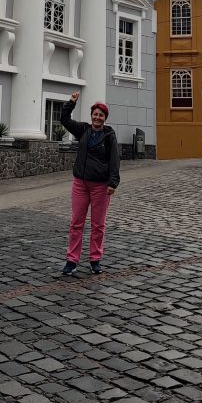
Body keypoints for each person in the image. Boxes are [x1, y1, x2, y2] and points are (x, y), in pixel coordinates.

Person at [60, 91, 120, 276]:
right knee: (76, 223)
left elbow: (114, 160)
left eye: (101, 115)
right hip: (80, 183)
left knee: (98, 225)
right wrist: (71, 102)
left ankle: (95, 260)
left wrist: (113, 182)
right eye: (95, 114)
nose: (97, 118)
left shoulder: (109, 136)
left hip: (101, 186)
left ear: (105, 118)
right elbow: (64, 119)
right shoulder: (83, 130)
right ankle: (71, 260)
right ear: (91, 116)